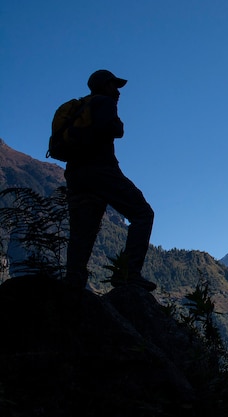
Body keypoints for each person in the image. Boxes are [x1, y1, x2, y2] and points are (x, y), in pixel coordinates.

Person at [64, 69, 156, 291]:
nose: (118, 92)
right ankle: (128, 274)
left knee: (83, 229)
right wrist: (118, 124)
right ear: (104, 86)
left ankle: (73, 282)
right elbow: (114, 129)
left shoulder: (81, 108)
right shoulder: (104, 103)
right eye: (114, 86)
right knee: (143, 213)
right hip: (102, 170)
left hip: (76, 174)